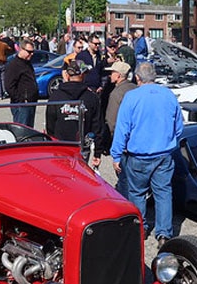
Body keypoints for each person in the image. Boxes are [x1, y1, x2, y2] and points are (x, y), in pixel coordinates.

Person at [110, 62, 184, 249]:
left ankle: (140, 229)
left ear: (137, 78)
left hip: (139, 155)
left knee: (137, 193)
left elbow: (122, 128)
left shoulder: (132, 97)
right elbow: (179, 127)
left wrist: (116, 155)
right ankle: (164, 234)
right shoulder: (168, 95)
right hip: (164, 154)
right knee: (163, 193)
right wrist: (169, 142)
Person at [45, 60, 104, 167]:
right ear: (83, 75)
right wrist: (97, 152)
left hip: (61, 146)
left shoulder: (56, 96)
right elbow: (97, 126)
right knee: (80, 172)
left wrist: (53, 143)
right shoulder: (91, 97)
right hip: (81, 146)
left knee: (63, 173)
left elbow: (50, 125)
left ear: (67, 75)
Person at [104, 60, 137, 196]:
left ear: (118, 75)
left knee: (124, 180)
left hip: (124, 141)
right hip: (137, 139)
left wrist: (113, 140)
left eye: (112, 72)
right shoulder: (135, 88)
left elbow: (111, 120)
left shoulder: (116, 93)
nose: (110, 75)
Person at [4, 40, 39, 127]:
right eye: (29, 52)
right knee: (22, 129)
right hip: (22, 105)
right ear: (21, 49)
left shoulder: (27, 63)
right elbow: (9, 86)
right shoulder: (13, 65)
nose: (32, 54)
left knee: (29, 129)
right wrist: (21, 99)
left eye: (33, 52)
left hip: (31, 102)